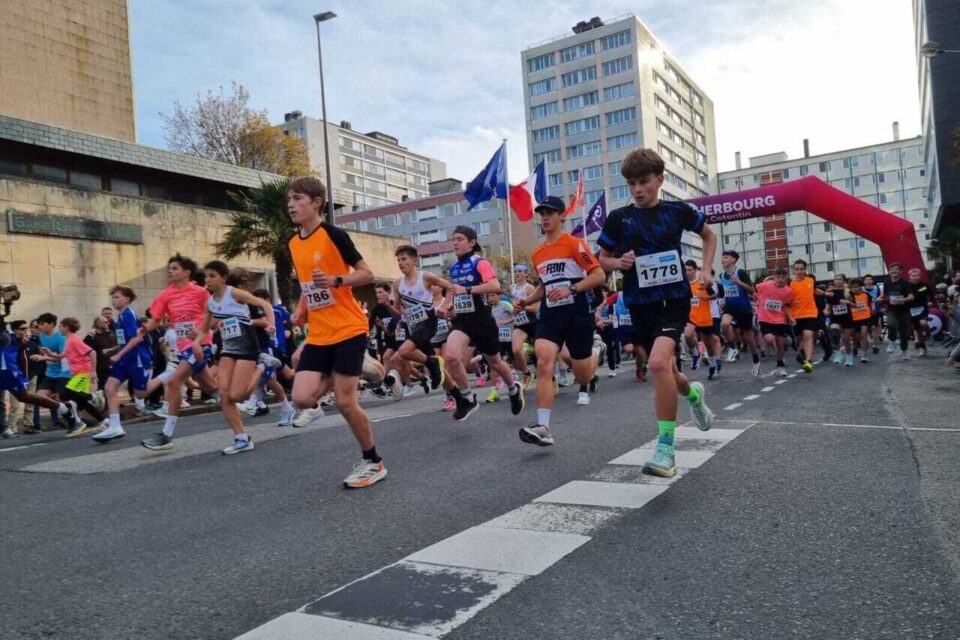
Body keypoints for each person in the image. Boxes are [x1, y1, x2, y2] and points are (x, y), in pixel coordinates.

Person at [596, 148, 716, 478]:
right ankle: (693, 395)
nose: (637, 189)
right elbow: (601, 259)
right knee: (667, 370)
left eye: (644, 181)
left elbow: (709, 234)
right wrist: (616, 263)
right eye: (631, 183)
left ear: (659, 179)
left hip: (673, 300)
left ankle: (665, 449)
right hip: (639, 303)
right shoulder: (619, 218)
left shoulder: (676, 211)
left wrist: (706, 269)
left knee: (659, 364)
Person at [286, 176, 386, 489]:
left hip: (348, 326)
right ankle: (362, 367)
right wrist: (302, 307)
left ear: (316, 202)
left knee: (344, 402)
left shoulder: (333, 234)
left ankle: (373, 462)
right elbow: (308, 283)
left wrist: (336, 281)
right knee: (301, 398)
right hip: (319, 331)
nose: (291, 204)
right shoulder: (293, 242)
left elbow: (366, 274)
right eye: (289, 199)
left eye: (298, 199)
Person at [516, 196, 606, 446]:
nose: (544, 218)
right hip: (551, 315)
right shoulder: (538, 253)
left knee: (583, 375)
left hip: (578, 312)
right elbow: (544, 287)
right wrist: (525, 302)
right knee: (544, 362)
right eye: (542, 213)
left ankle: (597, 349)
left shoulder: (575, 244)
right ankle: (543, 426)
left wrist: (573, 289)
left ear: (562, 216)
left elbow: (598, 275)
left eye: (550, 213)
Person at [439, 225, 525, 422]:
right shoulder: (453, 267)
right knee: (451, 357)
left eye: (459, 239)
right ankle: (468, 399)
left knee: (495, 362)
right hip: (462, 321)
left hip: (482, 320)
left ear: (471, 242)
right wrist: (446, 306)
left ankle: (513, 388)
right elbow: (454, 291)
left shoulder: (480, 263)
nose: (455, 243)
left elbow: (495, 286)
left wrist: (467, 290)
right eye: (453, 239)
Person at [193, 261, 277, 455]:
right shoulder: (210, 303)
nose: (208, 280)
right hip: (228, 348)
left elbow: (264, 304)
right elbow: (205, 327)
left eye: (212, 275)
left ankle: (262, 366)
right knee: (223, 394)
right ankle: (241, 438)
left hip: (247, 346)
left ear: (223, 277)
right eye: (206, 276)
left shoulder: (235, 294)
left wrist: (270, 324)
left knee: (238, 395)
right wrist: (197, 341)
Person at [139, 254, 219, 451]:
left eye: (175, 268)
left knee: (174, 381)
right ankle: (245, 402)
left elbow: (214, 319)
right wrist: (143, 329)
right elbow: (155, 319)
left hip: (200, 345)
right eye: (169, 268)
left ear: (186, 272)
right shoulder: (166, 294)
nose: (170, 271)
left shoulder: (201, 292)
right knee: (212, 388)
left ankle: (166, 435)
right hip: (183, 347)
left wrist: (200, 330)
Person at [93, 286, 154, 443]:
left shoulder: (128, 315)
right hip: (124, 359)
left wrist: (118, 354)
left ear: (127, 299)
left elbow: (137, 339)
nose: (114, 300)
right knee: (109, 387)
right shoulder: (119, 317)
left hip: (137, 359)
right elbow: (125, 341)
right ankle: (115, 426)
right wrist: (113, 350)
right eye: (112, 298)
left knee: (140, 394)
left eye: (117, 297)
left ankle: (169, 376)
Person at [390, 244, 449, 393]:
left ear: (414, 260)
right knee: (435, 364)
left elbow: (451, 287)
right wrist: (400, 311)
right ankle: (457, 395)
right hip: (413, 325)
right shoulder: (397, 283)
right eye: (398, 261)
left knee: (403, 351)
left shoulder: (426, 276)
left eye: (404, 259)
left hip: (428, 321)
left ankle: (431, 363)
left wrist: (444, 306)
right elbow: (397, 308)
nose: (400, 263)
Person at [57, 317, 106, 434]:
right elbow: (62, 356)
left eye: (61, 326)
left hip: (83, 371)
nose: (59, 328)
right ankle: (102, 419)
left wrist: (93, 371)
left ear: (67, 327)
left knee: (67, 392)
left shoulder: (74, 340)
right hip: (77, 373)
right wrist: (46, 356)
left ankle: (94, 397)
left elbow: (92, 352)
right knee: (78, 400)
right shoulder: (68, 340)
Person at [718, 250, 761, 376]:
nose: (723, 260)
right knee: (724, 325)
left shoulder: (740, 272)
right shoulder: (721, 275)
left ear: (733, 260)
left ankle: (756, 360)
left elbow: (752, 290)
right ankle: (732, 347)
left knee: (749, 339)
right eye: (722, 257)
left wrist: (738, 282)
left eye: (726, 257)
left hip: (743, 308)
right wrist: (723, 300)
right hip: (730, 307)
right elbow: (725, 291)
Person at [684, 260, 722, 381]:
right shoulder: (684, 285)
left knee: (708, 344)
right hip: (691, 317)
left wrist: (704, 297)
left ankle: (713, 365)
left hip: (705, 317)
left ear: (695, 270)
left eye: (690, 270)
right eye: (685, 270)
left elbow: (715, 296)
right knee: (688, 335)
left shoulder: (702, 282)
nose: (687, 272)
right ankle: (696, 354)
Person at [788, 260, 826, 374]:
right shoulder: (790, 283)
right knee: (799, 339)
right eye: (796, 269)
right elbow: (785, 298)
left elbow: (814, 291)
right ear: (793, 270)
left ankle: (808, 361)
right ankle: (801, 351)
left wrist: (825, 293)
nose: (799, 271)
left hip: (810, 313)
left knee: (808, 335)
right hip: (795, 315)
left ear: (805, 269)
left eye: (801, 269)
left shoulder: (810, 280)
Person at [755, 268, 794, 376]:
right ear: (774, 277)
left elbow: (786, 305)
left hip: (780, 319)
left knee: (780, 344)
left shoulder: (788, 291)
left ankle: (780, 366)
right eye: (778, 277)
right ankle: (777, 344)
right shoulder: (764, 285)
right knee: (770, 338)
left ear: (786, 278)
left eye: (783, 277)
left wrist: (790, 317)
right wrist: (758, 299)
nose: (780, 280)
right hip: (765, 318)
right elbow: (753, 290)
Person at [510, 265, 538, 389]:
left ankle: (551, 378)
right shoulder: (512, 288)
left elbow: (536, 308)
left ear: (526, 274)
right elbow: (513, 306)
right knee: (515, 349)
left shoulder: (530, 288)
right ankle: (527, 373)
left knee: (540, 353)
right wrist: (513, 311)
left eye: (520, 271)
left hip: (532, 322)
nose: (517, 273)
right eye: (515, 271)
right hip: (520, 323)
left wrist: (523, 307)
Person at [879, 263, 914, 361]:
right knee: (890, 324)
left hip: (903, 310)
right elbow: (884, 295)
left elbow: (911, 296)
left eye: (896, 269)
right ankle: (892, 340)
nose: (894, 271)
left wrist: (902, 300)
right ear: (889, 271)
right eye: (892, 269)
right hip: (891, 309)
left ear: (901, 271)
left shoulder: (905, 283)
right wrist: (879, 298)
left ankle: (905, 351)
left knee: (903, 333)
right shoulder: (887, 283)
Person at [824, 274, 855, 366]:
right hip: (835, 317)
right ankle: (838, 352)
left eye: (840, 279)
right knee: (834, 335)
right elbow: (828, 305)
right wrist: (826, 310)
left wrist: (848, 302)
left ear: (844, 281)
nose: (837, 281)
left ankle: (849, 356)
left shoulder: (848, 291)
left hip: (846, 317)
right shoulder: (830, 292)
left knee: (846, 339)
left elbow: (856, 305)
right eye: (836, 279)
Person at [848, 278, 873, 363]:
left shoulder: (866, 295)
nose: (854, 289)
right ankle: (856, 346)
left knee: (864, 334)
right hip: (854, 319)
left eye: (856, 287)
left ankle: (864, 355)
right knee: (857, 337)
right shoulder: (849, 296)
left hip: (865, 317)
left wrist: (872, 309)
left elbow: (870, 303)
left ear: (860, 287)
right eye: (852, 287)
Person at [907, 267, 929, 357]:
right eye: (913, 276)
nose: (916, 277)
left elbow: (930, 294)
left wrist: (930, 301)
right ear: (910, 277)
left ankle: (928, 333)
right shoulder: (907, 286)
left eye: (917, 275)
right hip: (911, 310)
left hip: (923, 308)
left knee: (923, 323)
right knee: (918, 331)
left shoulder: (924, 285)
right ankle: (923, 349)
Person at [861, 275, 883, 353]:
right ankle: (865, 344)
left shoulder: (877, 288)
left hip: (874, 310)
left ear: (872, 281)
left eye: (870, 279)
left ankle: (875, 345)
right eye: (866, 279)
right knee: (865, 329)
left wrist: (880, 307)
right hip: (864, 311)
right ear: (864, 281)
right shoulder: (861, 289)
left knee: (874, 327)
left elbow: (881, 298)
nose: (868, 281)